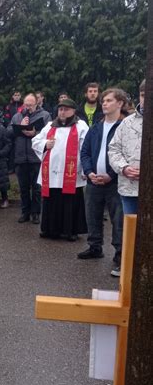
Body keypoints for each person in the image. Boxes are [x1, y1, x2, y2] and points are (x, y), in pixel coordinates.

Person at [79, 88, 127, 277]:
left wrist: (110, 174)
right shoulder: (96, 127)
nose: (104, 103)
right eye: (103, 101)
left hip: (114, 182)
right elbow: (85, 152)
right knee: (92, 214)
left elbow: (125, 155)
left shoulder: (123, 127)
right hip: (93, 181)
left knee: (118, 219)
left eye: (108, 100)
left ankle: (119, 253)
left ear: (120, 103)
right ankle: (94, 247)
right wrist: (90, 172)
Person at [32, 98, 89, 241]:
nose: (62, 112)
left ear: (73, 111)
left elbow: (86, 148)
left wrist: (85, 170)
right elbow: (36, 141)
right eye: (60, 109)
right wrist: (45, 144)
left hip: (71, 171)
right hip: (51, 171)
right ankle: (50, 229)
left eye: (66, 109)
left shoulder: (81, 126)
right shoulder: (51, 125)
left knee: (70, 201)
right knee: (52, 200)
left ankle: (70, 231)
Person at [7, 93, 51, 224]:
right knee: (23, 188)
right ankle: (25, 212)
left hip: (36, 157)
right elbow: (8, 132)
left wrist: (35, 133)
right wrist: (20, 125)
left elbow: (50, 133)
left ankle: (36, 213)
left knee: (37, 188)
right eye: (26, 105)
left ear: (37, 103)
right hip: (20, 157)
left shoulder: (45, 115)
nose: (28, 107)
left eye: (31, 105)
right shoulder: (17, 116)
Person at [108, 79, 145, 215]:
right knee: (131, 231)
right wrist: (124, 168)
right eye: (143, 95)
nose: (146, 99)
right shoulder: (127, 122)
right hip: (129, 188)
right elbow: (114, 149)